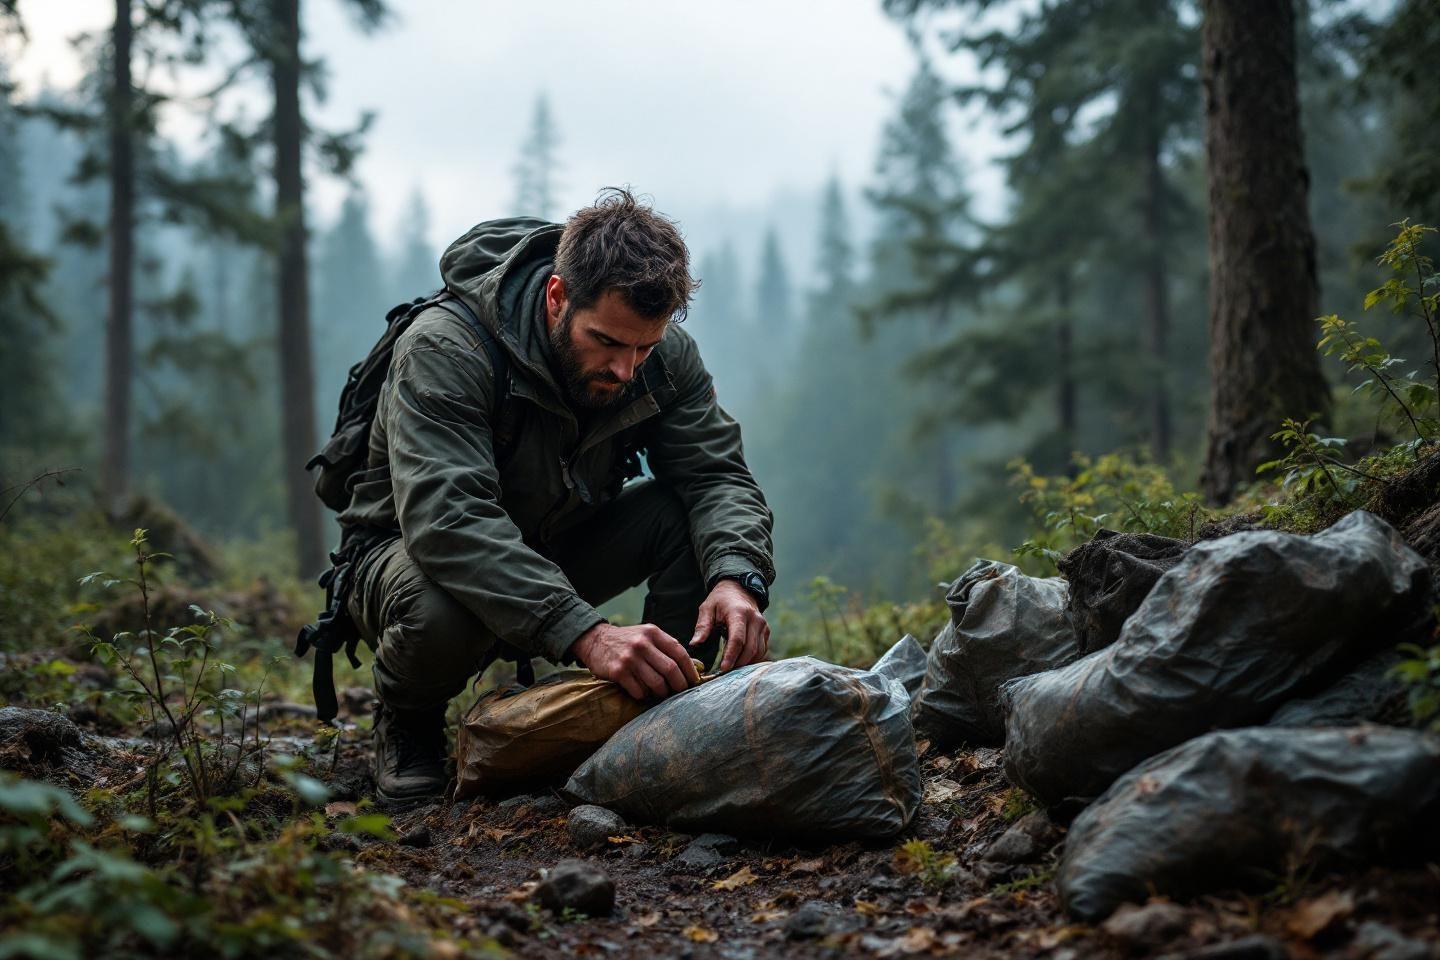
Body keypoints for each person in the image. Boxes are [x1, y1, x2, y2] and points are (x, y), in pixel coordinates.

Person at [337, 188, 776, 806]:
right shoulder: (446, 348)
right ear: (556, 297)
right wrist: (587, 634)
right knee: (439, 607)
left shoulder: (660, 358)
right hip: (409, 555)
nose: (626, 369)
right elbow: (449, 521)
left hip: (554, 543)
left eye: (643, 348)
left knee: (689, 522)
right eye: (606, 342)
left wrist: (736, 577)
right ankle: (408, 720)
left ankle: (674, 707)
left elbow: (716, 476)